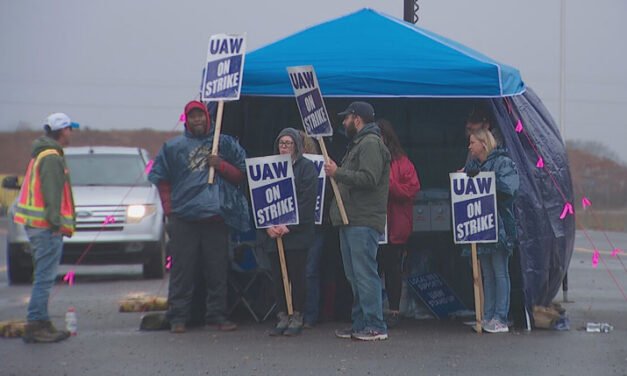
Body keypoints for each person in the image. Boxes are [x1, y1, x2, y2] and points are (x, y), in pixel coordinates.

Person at [148, 100, 250, 334]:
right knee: (181, 272)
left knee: (217, 270)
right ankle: (178, 317)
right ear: (186, 119)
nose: (197, 120)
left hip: (215, 218)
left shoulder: (223, 144)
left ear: (207, 117)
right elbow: (161, 180)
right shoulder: (173, 148)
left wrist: (221, 165)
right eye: (192, 116)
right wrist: (169, 209)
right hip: (183, 219)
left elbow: (241, 175)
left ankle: (217, 316)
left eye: (200, 116)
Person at [324, 101, 391, 341]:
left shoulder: (370, 144)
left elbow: (369, 178)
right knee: (354, 275)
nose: (343, 123)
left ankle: (375, 324)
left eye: (346, 118)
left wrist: (338, 172)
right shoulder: (360, 144)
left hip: (362, 219)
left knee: (364, 273)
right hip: (351, 218)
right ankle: (361, 322)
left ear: (357, 119)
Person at [14, 113, 79, 343]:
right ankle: (35, 324)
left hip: (38, 226)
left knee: (43, 276)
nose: (71, 133)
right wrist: (55, 223)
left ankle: (41, 321)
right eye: (70, 129)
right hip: (46, 227)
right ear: (63, 131)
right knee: (44, 277)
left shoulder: (42, 153)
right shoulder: (51, 157)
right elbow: (52, 193)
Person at [464, 128, 519, 333]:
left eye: (472, 142)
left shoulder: (503, 163)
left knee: (499, 271)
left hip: (499, 225)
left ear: (483, 143)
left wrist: (485, 178)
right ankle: (488, 315)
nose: (469, 147)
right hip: (481, 225)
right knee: (486, 273)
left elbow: (510, 188)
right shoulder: (474, 165)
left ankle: (500, 317)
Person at [265, 128, 318, 337]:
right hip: (274, 234)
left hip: (297, 235)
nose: (284, 146)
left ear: (296, 145)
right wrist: (267, 226)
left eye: (288, 143)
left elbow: (307, 201)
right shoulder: (269, 167)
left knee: (297, 276)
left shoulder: (307, 168)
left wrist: (290, 226)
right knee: (278, 277)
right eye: (281, 143)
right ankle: (282, 315)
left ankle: (297, 314)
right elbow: (260, 199)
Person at [375, 119, 421, 328]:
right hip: (374, 223)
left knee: (393, 269)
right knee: (372, 269)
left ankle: (394, 310)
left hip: (395, 225)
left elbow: (412, 190)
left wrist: (389, 184)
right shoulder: (369, 159)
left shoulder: (403, 163)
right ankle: (373, 310)